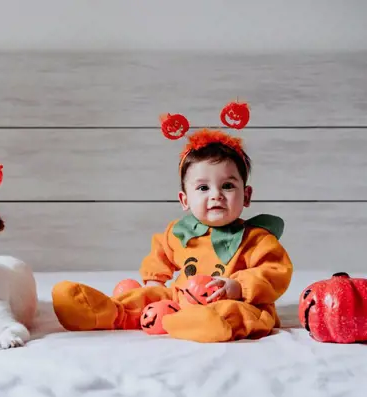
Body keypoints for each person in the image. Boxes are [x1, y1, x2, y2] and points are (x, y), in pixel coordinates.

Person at [51, 103, 293, 343]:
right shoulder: (179, 232)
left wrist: (238, 286)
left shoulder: (257, 239)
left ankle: (209, 323)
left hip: (235, 301)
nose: (216, 195)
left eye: (227, 186)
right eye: (203, 188)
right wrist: (153, 284)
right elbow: (159, 255)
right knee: (149, 298)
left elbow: (275, 272)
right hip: (181, 298)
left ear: (247, 195)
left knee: (244, 316)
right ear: (184, 200)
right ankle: (104, 312)